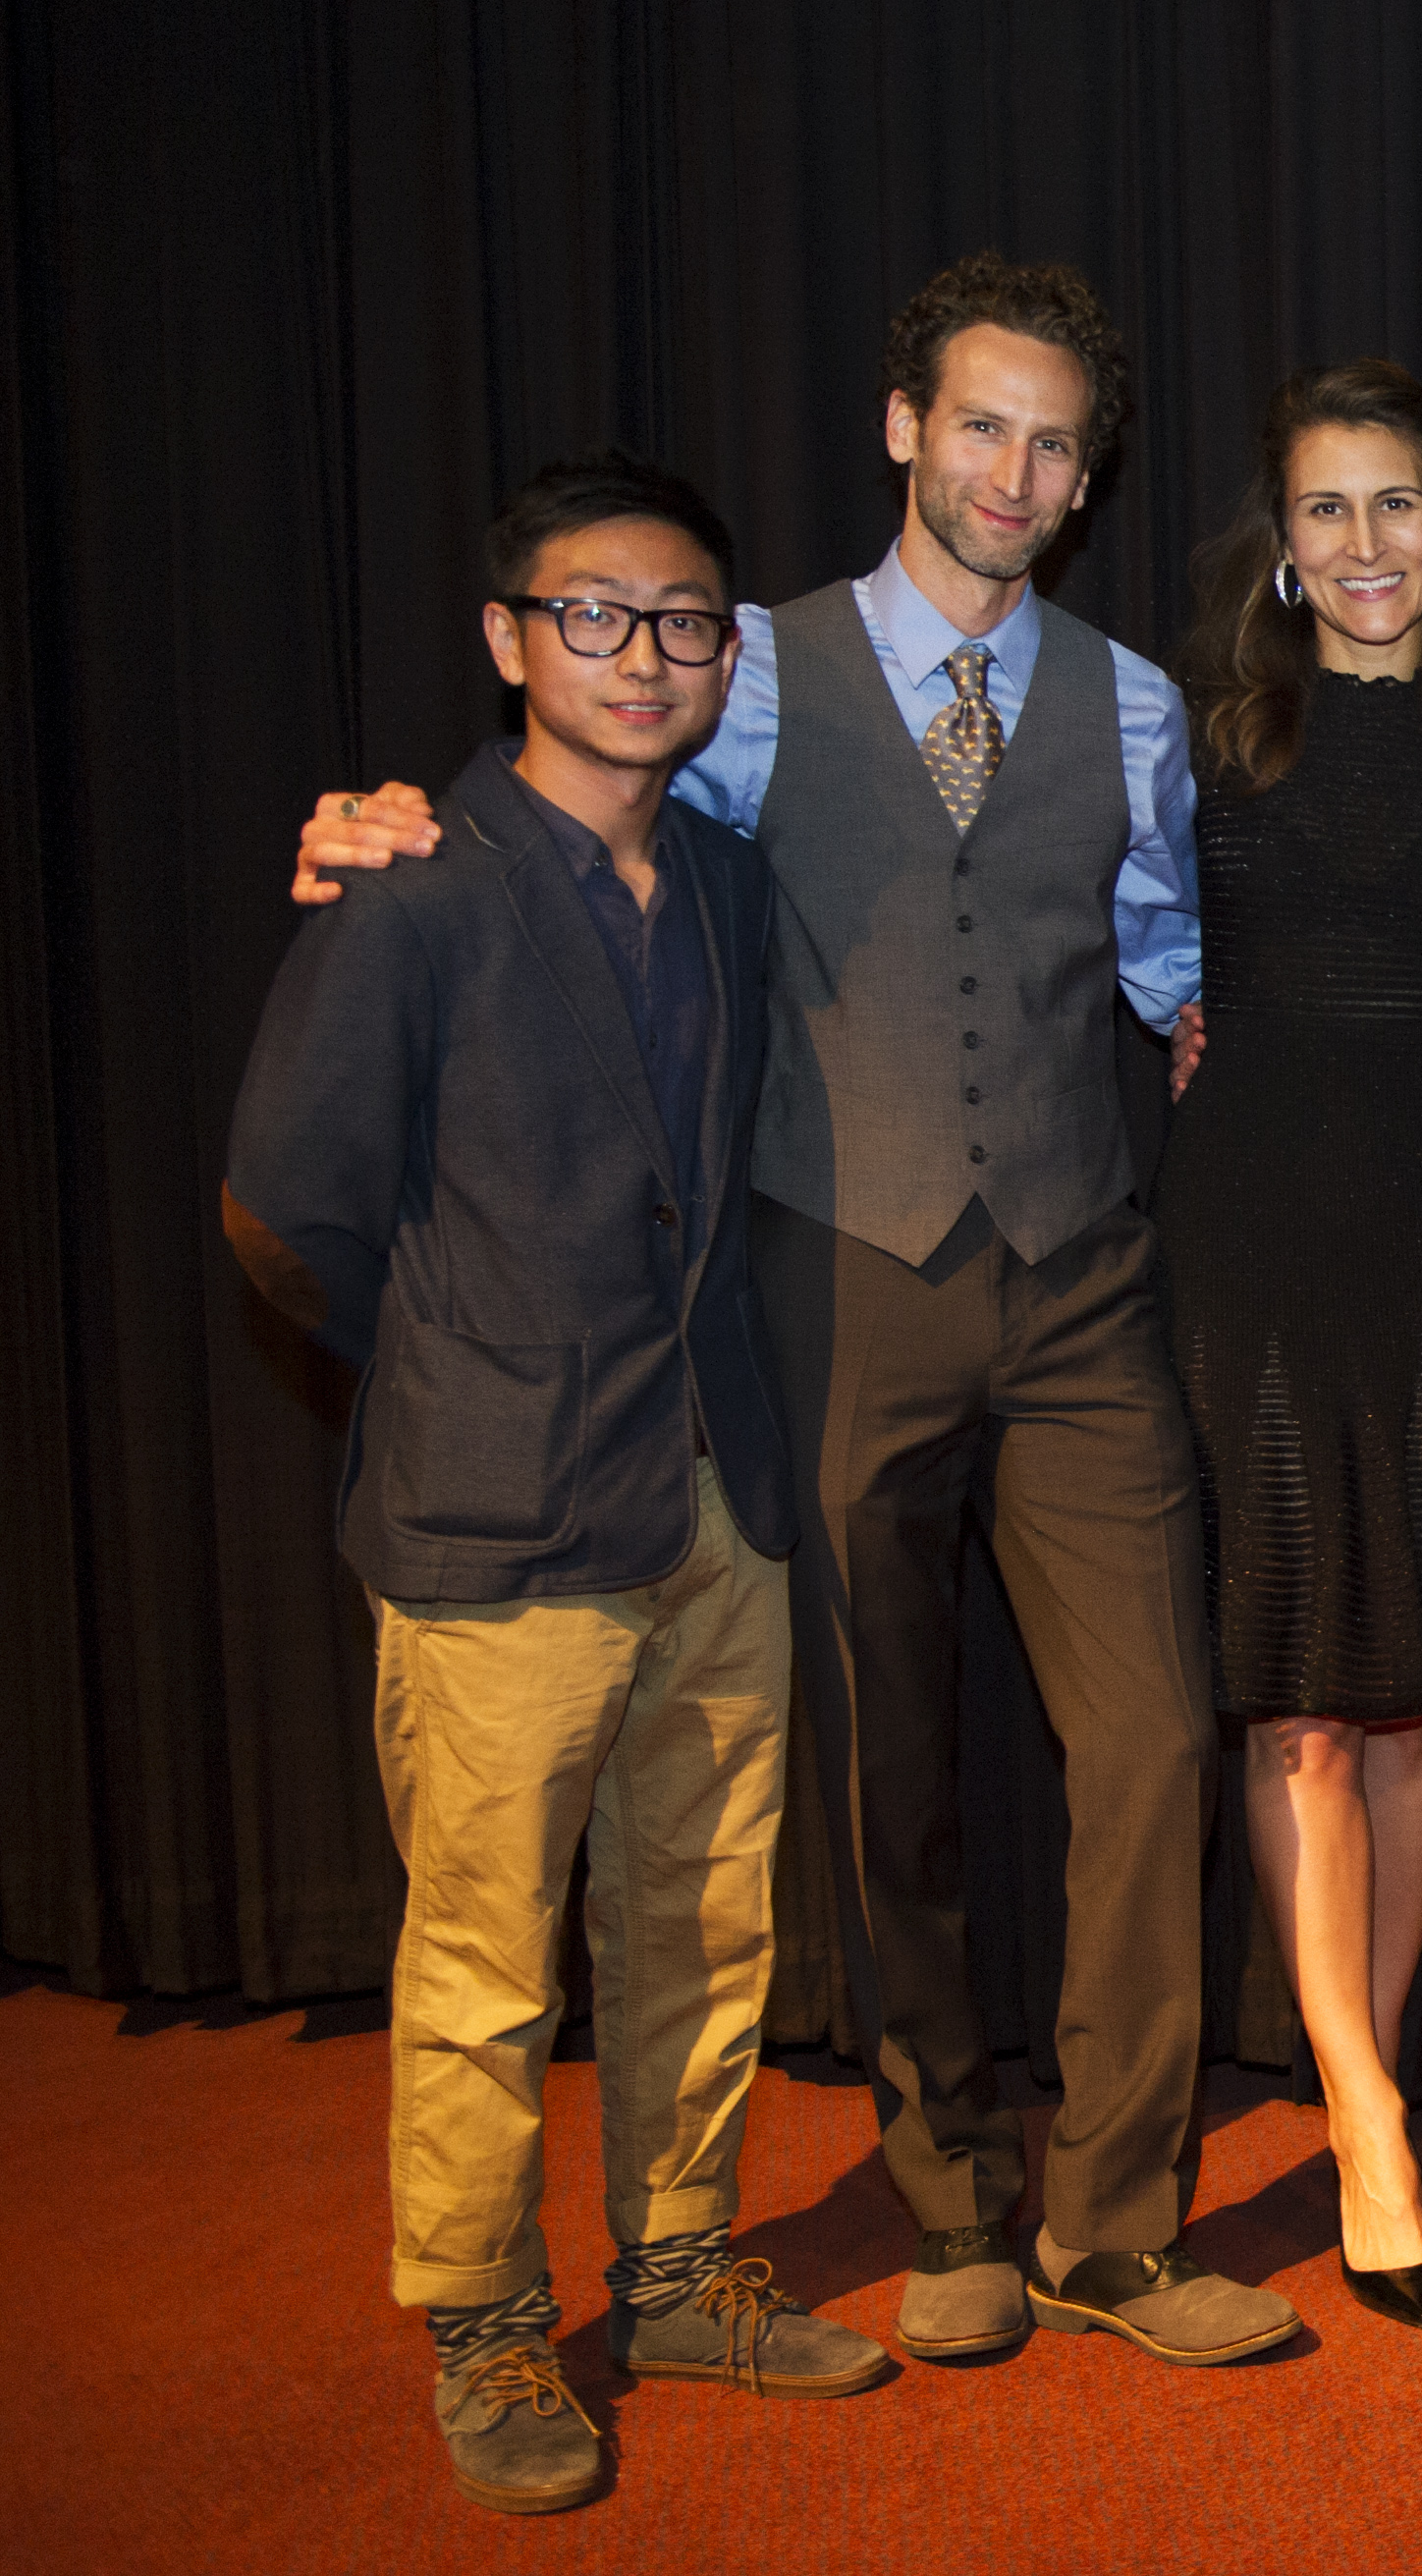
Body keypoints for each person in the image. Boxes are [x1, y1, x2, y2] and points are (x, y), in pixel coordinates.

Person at [287, 258, 1422, 2366]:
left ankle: (1116, 2222)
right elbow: (578, 792)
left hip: (1082, 1279)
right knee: (897, 1771)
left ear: (1087, 473)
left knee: (1150, 1738)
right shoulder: (740, 669)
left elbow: (1167, 955)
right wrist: (384, 820)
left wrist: (1328, 1011)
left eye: (1054, 444)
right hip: (834, 1268)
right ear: (903, 429)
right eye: (981, 427)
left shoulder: (1142, 706)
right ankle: (952, 2185)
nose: (1014, 474)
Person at [228, 455, 887, 2513]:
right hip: (493, 1515)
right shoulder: (412, 886)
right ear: (514, 638)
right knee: (488, 1959)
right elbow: (285, 1216)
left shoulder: (721, 876)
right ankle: (486, 2323)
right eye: (592, 614)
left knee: (702, 1917)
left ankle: (681, 2268)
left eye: (684, 619)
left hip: (714, 1496)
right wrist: (456, 1375)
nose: (641, 653)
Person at [1154, 359, 1422, 2330]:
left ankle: (1365, 2064)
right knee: (1296, 1698)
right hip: (1246, 1242)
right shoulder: (1204, 731)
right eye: (1324, 511)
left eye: (1394, 506)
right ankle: (1365, 2118)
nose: (1363, 548)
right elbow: (1110, 932)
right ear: (1278, 543)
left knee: (1406, 1693)